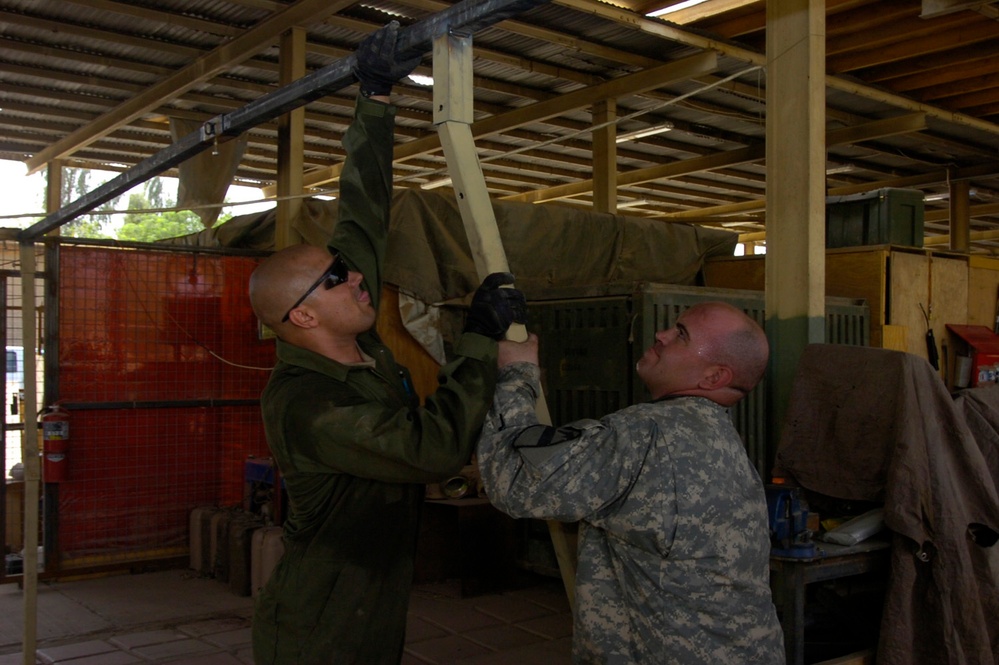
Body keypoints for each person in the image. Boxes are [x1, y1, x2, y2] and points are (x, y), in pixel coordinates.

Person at [248, 22, 526, 665]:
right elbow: (431, 450)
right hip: (318, 634)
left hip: (373, 611)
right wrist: (479, 339)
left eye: (345, 268)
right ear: (303, 316)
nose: (354, 276)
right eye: (335, 277)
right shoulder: (309, 405)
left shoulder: (357, 341)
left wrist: (374, 100)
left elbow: (363, 215)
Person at [477, 301, 786, 664]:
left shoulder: (648, 434)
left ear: (714, 377)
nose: (662, 334)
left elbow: (511, 480)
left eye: (681, 335)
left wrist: (516, 371)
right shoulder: (720, 440)